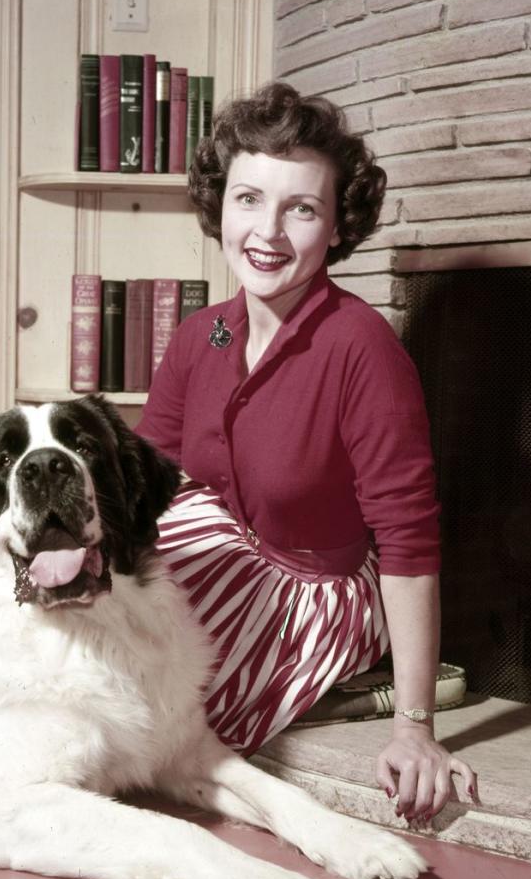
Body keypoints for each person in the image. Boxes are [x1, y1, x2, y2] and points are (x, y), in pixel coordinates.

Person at [136, 82, 477, 824]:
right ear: (220, 206)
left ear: (335, 228)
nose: (268, 232)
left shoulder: (363, 347)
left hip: (312, 593)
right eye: (249, 199)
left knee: (148, 716)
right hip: (219, 551)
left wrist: (415, 729)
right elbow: (140, 483)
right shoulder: (204, 334)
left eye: (302, 209)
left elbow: (409, 544)